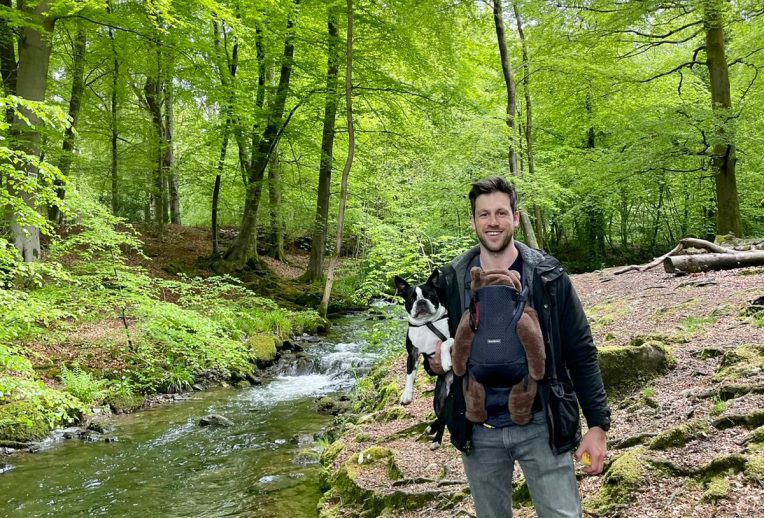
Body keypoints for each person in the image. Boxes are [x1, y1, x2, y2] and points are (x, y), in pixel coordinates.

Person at [429, 176, 611, 518]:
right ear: (473, 222)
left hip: (542, 423)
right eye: (484, 215)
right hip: (478, 430)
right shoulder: (452, 279)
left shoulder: (547, 275)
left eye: (500, 213)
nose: (492, 222)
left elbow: (581, 351)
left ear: (516, 217)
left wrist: (597, 425)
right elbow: (438, 349)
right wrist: (434, 363)